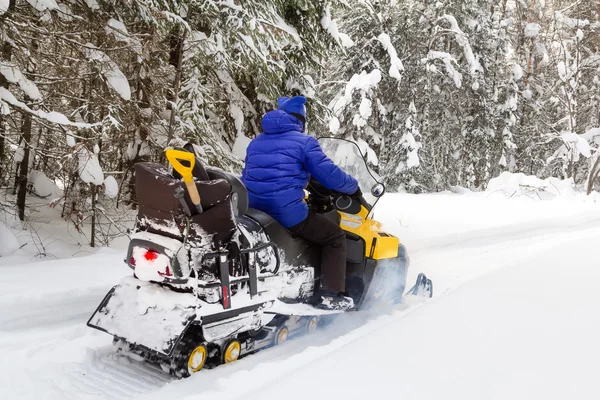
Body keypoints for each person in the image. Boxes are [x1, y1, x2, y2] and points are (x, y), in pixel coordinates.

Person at [241, 95, 360, 310]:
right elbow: (329, 174)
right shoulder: (304, 142)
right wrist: (353, 187)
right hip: (284, 212)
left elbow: (249, 175)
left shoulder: (256, 142)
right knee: (334, 236)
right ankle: (329, 294)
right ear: (300, 121)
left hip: (253, 210)